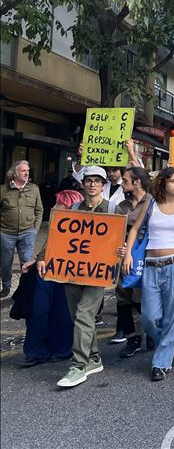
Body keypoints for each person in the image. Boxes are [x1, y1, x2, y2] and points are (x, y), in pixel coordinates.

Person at [36, 166, 119, 387]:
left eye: (97, 181)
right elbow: (57, 234)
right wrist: (42, 256)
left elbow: (123, 237)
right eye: (88, 180)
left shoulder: (112, 208)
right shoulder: (73, 207)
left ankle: (78, 365)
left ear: (103, 184)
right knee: (77, 317)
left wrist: (123, 250)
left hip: (97, 273)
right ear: (83, 183)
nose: (92, 184)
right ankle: (93, 358)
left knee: (84, 314)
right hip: (71, 271)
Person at [122, 167, 174, 381]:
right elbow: (135, 229)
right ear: (162, 182)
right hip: (151, 265)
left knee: (173, 316)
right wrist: (128, 254)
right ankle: (167, 342)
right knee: (149, 317)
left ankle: (161, 362)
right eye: (173, 180)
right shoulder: (151, 204)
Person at [16, 190, 78, 367]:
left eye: (57, 203)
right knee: (39, 311)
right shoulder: (54, 224)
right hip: (46, 272)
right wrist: (37, 260)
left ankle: (59, 349)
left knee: (62, 313)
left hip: (67, 275)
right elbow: (49, 247)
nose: (53, 207)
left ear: (67, 207)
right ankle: (38, 351)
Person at [112, 167, 154, 358]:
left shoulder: (153, 202)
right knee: (123, 298)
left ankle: (151, 330)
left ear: (137, 182)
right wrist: (120, 247)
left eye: (126, 180)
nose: (122, 183)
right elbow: (115, 230)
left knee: (143, 298)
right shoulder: (122, 205)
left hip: (146, 256)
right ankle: (133, 338)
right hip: (124, 257)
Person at [2, 160, 43, 298]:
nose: (27, 173)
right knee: (5, 263)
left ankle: (24, 290)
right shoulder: (3, 190)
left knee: (27, 264)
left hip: (27, 233)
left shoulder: (34, 189)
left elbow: (39, 210)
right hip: (6, 233)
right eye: (23, 171)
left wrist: (35, 230)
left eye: (28, 170)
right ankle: (6, 287)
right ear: (14, 174)